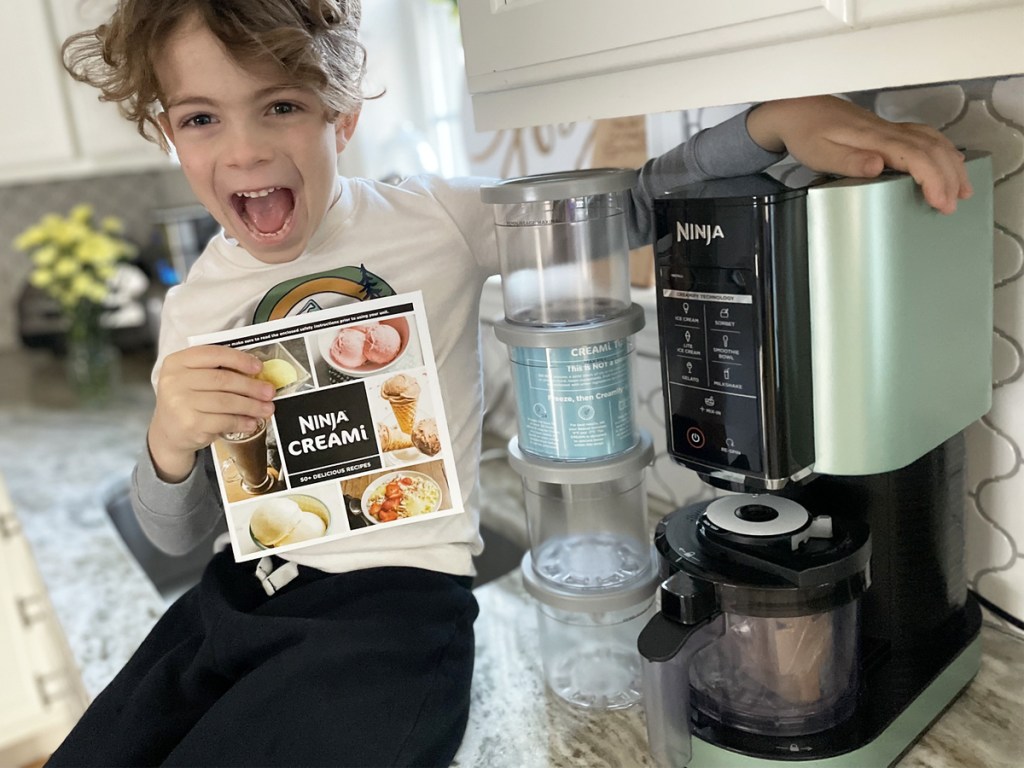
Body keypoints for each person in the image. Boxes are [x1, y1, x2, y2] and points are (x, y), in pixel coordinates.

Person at [48, 1, 972, 766]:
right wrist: (169, 444)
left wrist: (772, 124)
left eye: (280, 105)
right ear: (169, 130)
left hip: (389, 618)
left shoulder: (434, 219)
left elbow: (631, 203)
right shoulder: (196, 305)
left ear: (342, 113)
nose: (244, 151)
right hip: (236, 593)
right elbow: (178, 533)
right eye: (202, 117)